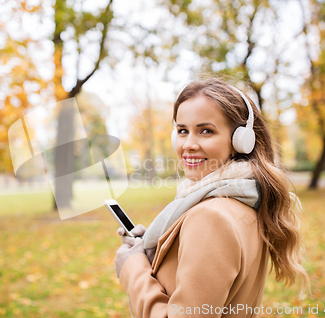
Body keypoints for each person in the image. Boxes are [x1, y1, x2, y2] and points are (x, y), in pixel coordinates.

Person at [114, 77, 310, 318]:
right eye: (182, 131)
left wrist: (132, 267)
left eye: (206, 131)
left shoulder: (211, 218)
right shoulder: (246, 201)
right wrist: (162, 250)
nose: (188, 144)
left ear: (240, 141)